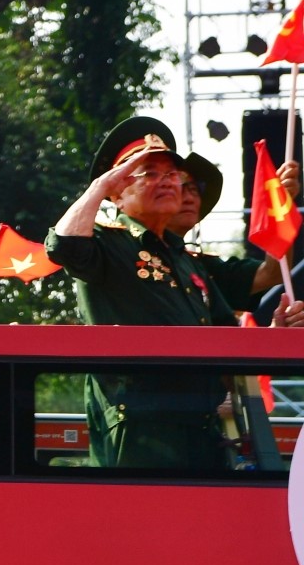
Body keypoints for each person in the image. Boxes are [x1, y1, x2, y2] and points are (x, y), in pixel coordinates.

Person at [45, 116, 304, 469]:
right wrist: (101, 185)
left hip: (202, 429)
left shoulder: (187, 261)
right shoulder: (108, 243)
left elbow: (231, 346)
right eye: (148, 173)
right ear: (117, 193)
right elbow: (63, 246)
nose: (167, 181)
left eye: (172, 174)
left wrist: (274, 335)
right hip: (142, 432)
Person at [169, 152, 300, 312]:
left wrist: (279, 207)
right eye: (180, 189)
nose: (190, 199)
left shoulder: (205, 269)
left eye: (195, 190)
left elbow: (273, 273)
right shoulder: (138, 259)